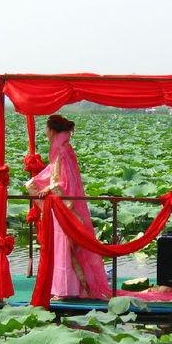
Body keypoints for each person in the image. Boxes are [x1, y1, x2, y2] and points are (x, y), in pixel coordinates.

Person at [27, 114, 111, 300]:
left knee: (65, 246)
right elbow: (52, 172)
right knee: (60, 245)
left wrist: (49, 188)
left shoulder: (64, 151)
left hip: (65, 205)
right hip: (59, 203)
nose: (46, 133)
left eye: (47, 129)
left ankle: (67, 290)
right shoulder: (61, 150)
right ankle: (63, 288)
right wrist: (35, 182)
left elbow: (67, 181)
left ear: (52, 130)